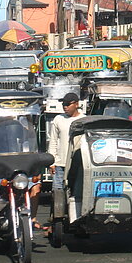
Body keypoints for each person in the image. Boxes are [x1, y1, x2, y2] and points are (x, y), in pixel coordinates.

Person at [47, 93, 85, 231]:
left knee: (77, 193)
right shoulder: (58, 119)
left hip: (78, 164)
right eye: (63, 104)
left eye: (68, 104)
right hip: (60, 164)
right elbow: (53, 141)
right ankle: (55, 223)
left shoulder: (84, 120)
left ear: (76, 104)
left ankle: (77, 221)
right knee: (57, 193)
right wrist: (52, 161)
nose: (65, 107)